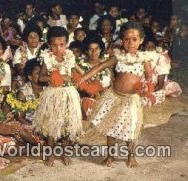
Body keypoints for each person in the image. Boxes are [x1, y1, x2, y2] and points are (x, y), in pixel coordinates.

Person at [79, 22, 152, 167]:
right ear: (122, 40)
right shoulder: (118, 57)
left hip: (131, 99)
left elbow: (149, 76)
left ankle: (131, 156)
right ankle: (110, 156)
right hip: (114, 96)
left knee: (131, 128)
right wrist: (83, 78)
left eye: (134, 39)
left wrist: (146, 85)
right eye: (126, 39)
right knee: (110, 127)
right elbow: (100, 66)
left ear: (141, 40)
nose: (130, 43)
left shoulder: (144, 59)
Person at [33, 26, 83, 166]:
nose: (58, 48)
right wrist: (52, 77)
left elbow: (78, 73)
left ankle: (65, 153)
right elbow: (41, 78)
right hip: (53, 95)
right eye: (54, 45)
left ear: (67, 44)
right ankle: (51, 155)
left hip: (68, 94)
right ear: (49, 45)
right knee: (51, 126)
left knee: (67, 125)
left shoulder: (70, 57)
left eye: (61, 45)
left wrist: (74, 77)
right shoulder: (48, 59)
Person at [12, 25, 43, 91]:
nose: (33, 39)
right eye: (30, 37)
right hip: (24, 80)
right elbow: (19, 68)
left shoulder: (44, 49)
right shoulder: (20, 50)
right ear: (26, 38)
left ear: (39, 37)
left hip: (41, 80)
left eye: (36, 37)